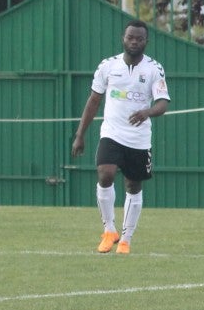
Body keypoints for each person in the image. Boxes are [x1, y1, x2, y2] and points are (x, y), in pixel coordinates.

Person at [71, 19, 170, 255]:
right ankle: (109, 231)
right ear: (123, 39)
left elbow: (162, 103)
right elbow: (94, 100)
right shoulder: (107, 66)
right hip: (112, 133)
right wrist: (80, 135)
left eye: (139, 38)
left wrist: (147, 112)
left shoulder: (154, 69)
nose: (134, 42)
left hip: (138, 139)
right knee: (105, 173)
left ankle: (125, 239)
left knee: (133, 185)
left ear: (146, 41)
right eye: (130, 37)